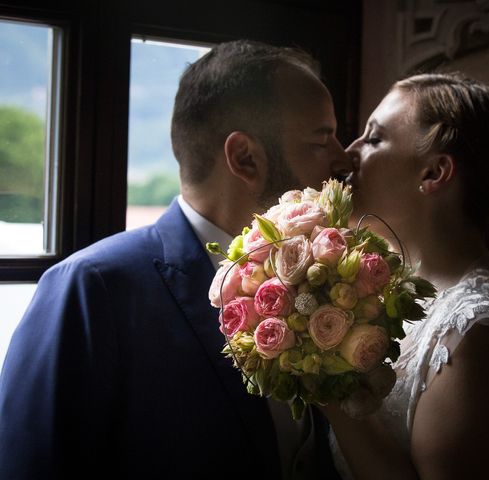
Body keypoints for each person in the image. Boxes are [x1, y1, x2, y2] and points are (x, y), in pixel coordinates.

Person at [0, 40, 352, 479]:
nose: (345, 156)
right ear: (245, 158)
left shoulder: (332, 284)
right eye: (322, 140)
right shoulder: (94, 288)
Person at [326, 73, 489, 479]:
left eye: (373, 139)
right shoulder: (381, 288)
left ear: (434, 173)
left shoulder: (478, 330)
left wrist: (325, 386)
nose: (346, 154)